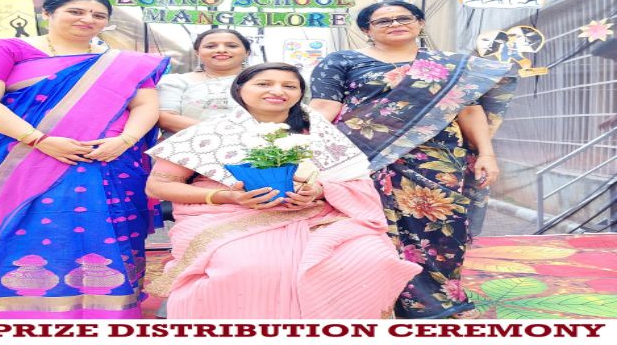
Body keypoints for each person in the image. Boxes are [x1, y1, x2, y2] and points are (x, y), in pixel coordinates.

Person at [144, 63, 421, 318]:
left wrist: (318, 190)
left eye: (289, 86)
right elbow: (158, 186)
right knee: (250, 265)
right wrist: (226, 196)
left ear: (300, 94)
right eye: (264, 84)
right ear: (239, 89)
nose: (277, 91)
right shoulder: (207, 133)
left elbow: (354, 182)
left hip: (318, 214)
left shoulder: (319, 133)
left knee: (368, 258)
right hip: (229, 213)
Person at [0, 0, 169, 319]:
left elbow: (145, 105)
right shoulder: (6, 49)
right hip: (30, 156)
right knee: (37, 230)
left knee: (108, 229)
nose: (87, 19)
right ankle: (34, 314)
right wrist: (39, 140)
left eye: (98, 15)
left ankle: (112, 313)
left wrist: (125, 141)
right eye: (76, 11)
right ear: (48, 13)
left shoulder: (123, 63)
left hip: (110, 160)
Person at [309, 0, 514, 319]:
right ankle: (378, 301)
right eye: (383, 21)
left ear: (420, 23)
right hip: (365, 157)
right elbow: (325, 108)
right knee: (374, 229)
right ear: (366, 30)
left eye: (404, 18)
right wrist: (303, 151)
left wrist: (486, 153)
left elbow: (470, 111)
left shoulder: (451, 65)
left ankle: (442, 300)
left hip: (437, 160)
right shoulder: (342, 60)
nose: (395, 24)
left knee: (442, 229)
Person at [157, 28, 251, 135]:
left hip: (254, 142)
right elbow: (165, 118)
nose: (221, 50)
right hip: (186, 143)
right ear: (197, 53)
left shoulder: (261, 83)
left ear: (247, 52)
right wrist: (224, 132)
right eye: (210, 46)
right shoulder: (176, 81)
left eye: (232, 46)